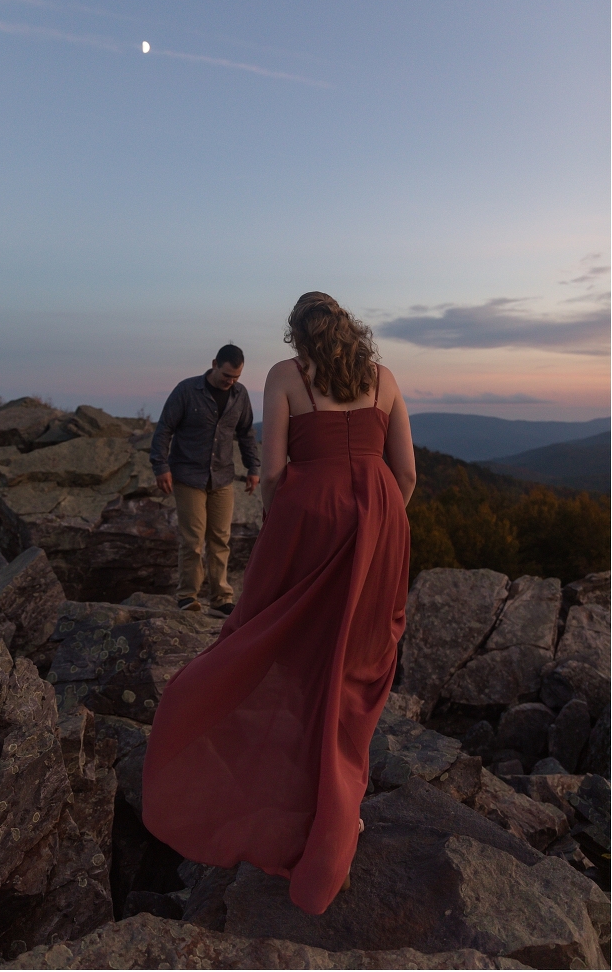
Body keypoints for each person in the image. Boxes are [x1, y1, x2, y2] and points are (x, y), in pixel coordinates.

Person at [142, 292, 415, 914]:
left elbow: (271, 471)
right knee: (354, 669)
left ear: (297, 335)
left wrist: (284, 526)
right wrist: (381, 530)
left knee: (274, 646)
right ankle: (340, 809)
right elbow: (406, 474)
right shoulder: (385, 379)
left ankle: (273, 794)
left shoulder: (285, 376)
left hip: (309, 516)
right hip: (381, 521)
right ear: (350, 329)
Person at [150, 344, 260, 616]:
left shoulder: (240, 395)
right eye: (226, 375)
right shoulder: (186, 390)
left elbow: (246, 433)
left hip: (222, 477)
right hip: (188, 476)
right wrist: (161, 466)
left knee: (221, 538)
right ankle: (188, 596)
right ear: (214, 364)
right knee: (193, 539)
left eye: (236, 377)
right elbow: (164, 428)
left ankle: (221, 598)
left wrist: (253, 467)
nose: (230, 381)